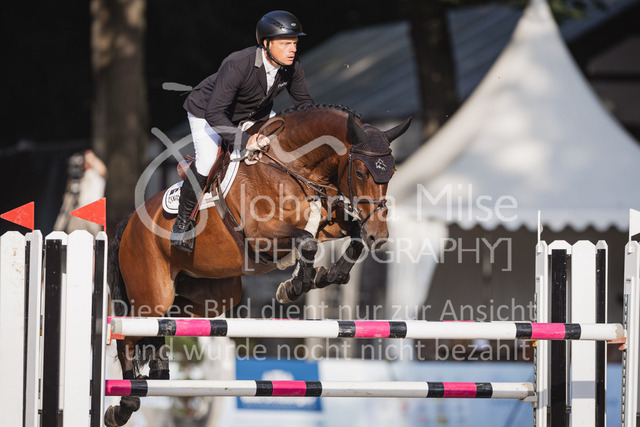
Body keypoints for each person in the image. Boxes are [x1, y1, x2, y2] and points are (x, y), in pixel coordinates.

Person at [171, 10, 314, 253]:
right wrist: (245, 140)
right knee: (207, 161)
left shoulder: (292, 66)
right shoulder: (238, 64)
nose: (293, 49)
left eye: (295, 43)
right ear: (266, 44)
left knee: (283, 140)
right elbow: (215, 113)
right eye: (286, 43)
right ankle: (182, 225)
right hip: (207, 111)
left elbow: (305, 107)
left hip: (252, 114)